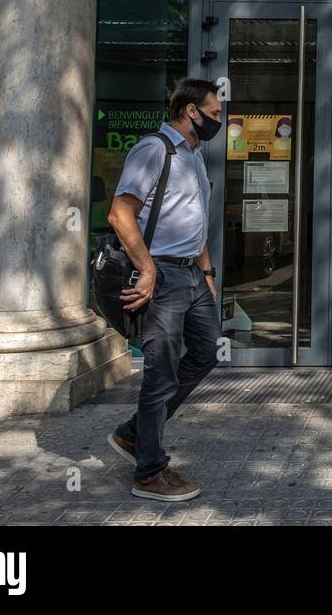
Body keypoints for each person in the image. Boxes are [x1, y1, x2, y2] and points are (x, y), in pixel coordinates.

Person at [105, 79, 223, 502]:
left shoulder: (194, 155)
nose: (219, 119)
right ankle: (150, 472)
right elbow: (121, 215)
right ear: (191, 111)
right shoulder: (155, 149)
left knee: (206, 353)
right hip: (163, 277)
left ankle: (135, 433)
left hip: (192, 274)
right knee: (160, 372)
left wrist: (206, 271)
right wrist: (148, 270)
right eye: (214, 112)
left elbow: (194, 219)